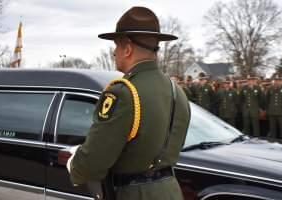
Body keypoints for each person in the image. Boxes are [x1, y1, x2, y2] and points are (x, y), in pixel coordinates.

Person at [66, 6, 190, 200]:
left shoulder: (123, 92)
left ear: (128, 49)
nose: (114, 53)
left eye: (116, 46)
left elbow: (93, 163)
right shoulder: (177, 91)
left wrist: (75, 164)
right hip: (170, 191)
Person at [266, 75, 282, 142]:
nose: (277, 82)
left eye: (278, 81)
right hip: (272, 111)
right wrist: (268, 109)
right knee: (272, 127)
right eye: (276, 80)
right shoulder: (270, 89)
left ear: (281, 81)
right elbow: (267, 100)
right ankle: (273, 139)